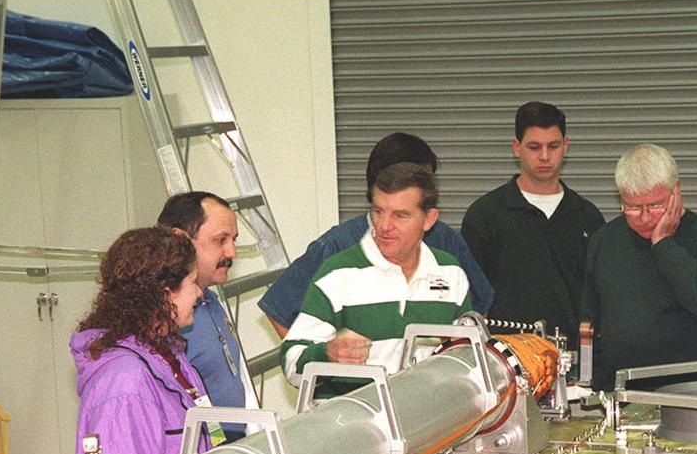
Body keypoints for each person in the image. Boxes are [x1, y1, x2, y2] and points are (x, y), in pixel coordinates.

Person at [258, 132, 492, 337]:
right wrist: (323, 373)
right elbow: (279, 309)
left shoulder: (444, 240)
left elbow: (478, 309)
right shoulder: (337, 245)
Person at [281, 163, 470, 395]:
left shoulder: (451, 273)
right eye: (378, 211)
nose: (384, 226)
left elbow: (465, 360)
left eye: (401, 215)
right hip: (352, 421)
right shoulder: (338, 273)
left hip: (427, 420)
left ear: (429, 220)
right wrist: (327, 353)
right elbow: (291, 362)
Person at [582, 144, 697, 392]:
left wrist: (663, 244)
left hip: (688, 388)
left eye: (654, 206)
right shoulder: (604, 240)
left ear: (676, 191)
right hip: (619, 388)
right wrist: (593, 381)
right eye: (632, 207)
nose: (644, 217)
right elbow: (589, 318)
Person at [71, 226, 216, 454]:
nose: (199, 293)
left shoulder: (170, 356)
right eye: (192, 282)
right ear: (165, 294)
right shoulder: (124, 382)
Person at [461, 101, 604, 347]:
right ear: (517, 147)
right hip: (504, 364)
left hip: (572, 361)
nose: (545, 156)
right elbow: (471, 302)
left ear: (566, 146)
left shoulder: (588, 217)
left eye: (554, 146)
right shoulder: (485, 216)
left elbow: (599, 298)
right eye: (534, 147)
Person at [157, 191, 256, 441]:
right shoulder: (166, 320)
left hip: (232, 450)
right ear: (180, 240)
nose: (232, 252)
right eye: (220, 240)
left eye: (233, 239)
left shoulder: (211, 301)